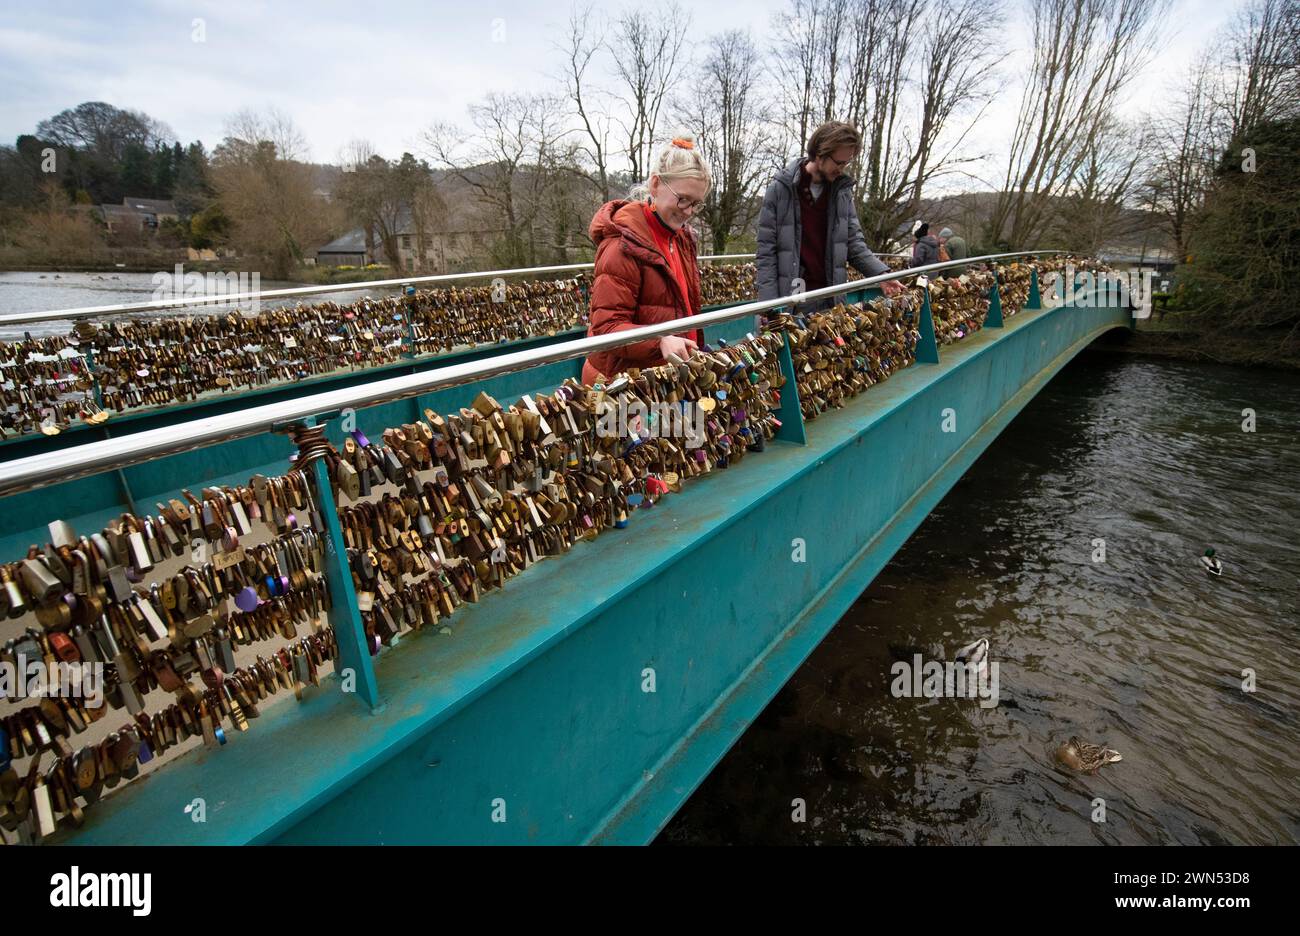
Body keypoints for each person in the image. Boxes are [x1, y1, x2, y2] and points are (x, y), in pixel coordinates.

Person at [583, 136, 710, 385]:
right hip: (622, 384)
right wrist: (660, 340)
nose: (688, 212)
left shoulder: (682, 239)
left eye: (696, 204)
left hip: (662, 377)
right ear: (655, 185)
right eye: (682, 199)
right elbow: (607, 327)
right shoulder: (622, 244)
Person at [756, 121, 902, 313]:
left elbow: (854, 243)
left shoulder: (841, 193)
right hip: (793, 298)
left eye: (847, 163)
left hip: (831, 299)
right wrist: (769, 307)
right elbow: (766, 252)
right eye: (839, 162)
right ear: (819, 154)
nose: (842, 169)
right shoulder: (781, 189)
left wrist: (881, 274)